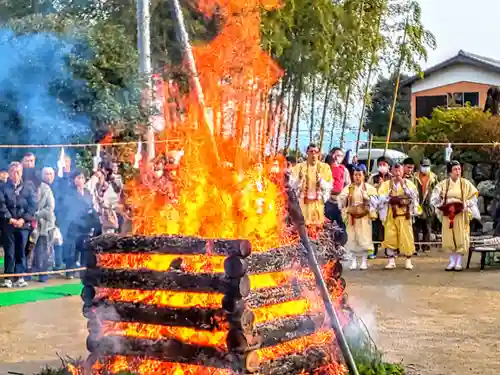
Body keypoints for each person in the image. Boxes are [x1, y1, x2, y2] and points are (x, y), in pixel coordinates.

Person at [430, 160, 480, 271]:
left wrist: (467, 204)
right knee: (449, 237)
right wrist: (442, 202)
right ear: (449, 172)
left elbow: (474, 195)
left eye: (459, 169)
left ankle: (459, 262)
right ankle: (452, 261)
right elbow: (434, 198)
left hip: (461, 213)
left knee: (461, 236)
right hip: (448, 213)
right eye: (455, 169)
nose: (458, 172)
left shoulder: (465, 183)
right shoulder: (443, 184)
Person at [0, 162, 37, 288]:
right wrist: (10, 219)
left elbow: (33, 206)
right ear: (9, 173)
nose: (15, 174)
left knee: (21, 250)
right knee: (9, 250)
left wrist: (23, 219)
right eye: (13, 172)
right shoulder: (3, 187)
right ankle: (8, 277)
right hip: (8, 224)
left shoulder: (28, 187)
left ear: (21, 173)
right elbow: (1, 204)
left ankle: (19, 276)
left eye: (18, 172)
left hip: (23, 224)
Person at [377, 163, 420, 270]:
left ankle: (408, 260)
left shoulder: (409, 183)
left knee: (406, 237)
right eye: (395, 171)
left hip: (404, 214)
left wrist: (402, 184)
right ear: (391, 171)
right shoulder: (386, 184)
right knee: (390, 236)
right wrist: (388, 197)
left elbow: (413, 196)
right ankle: (391, 260)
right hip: (391, 214)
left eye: (399, 171)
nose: (397, 173)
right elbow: (380, 198)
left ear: (403, 171)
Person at [338, 166, 378, 270]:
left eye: (359, 175)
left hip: (364, 217)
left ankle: (364, 261)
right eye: (355, 175)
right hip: (352, 217)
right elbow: (341, 201)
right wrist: (345, 198)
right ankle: (353, 261)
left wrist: (367, 199)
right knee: (352, 239)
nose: (357, 177)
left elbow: (375, 203)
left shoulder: (369, 188)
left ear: (364, 175)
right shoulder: (348, 188)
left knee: (365, 238)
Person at [62, 170, 98, 278]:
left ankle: (83, 271)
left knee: (84, 249)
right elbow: (68, 207)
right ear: (73, 180)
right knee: (72, 249)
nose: (80, 180)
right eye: (78, 178)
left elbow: (91, 207)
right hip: (73, 225)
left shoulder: (87, 192)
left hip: (86, 226)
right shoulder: (69, 192)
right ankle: (70, 271)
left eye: (82, 178)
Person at [290, 143, 333, 227]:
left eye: (316, 152)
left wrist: (321, 180)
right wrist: (299, 179)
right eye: (311, 151)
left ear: (319, 154)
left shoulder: (325, 167)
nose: (313, 154)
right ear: (307, 153)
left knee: (316, 230)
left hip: (318, 205)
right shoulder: (299, 167)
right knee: (303, 228)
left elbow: (329, 186)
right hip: (303, 205)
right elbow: (292, 186)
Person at [31, 171, 56, 282]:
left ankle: (43, 273)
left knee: (43, 249)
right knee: (30, 249)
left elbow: (50, 208)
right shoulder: (27, 187)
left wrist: (36, 215)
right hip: (29, 223)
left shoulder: (46, 189)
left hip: (44, 224)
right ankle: (30, 270)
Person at [367, 156, 392, 258]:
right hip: (375, 208)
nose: (382, 167)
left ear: (389, 166)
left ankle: (388, 250)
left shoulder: (392, 177)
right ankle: (373, 251)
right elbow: (368, 190)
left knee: (388, 229)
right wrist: (378, 186)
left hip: (387, 208)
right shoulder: (373, 178)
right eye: (380, 165)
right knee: (374, 230)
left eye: (384, 165)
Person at [412, 158, 439, 253]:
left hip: (429, 204)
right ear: (420, 166)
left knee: (427, 226)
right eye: (424, 166)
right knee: (416, 226)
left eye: (428, 166)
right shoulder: (414, 177)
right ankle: (415, 246)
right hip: (417, 203)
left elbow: (437, 190)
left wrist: (435, 204)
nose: (426, 168)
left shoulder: (434, 177)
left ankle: (426, 246)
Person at [325, 147, 350, 228]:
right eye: (336, 155)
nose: (337, 157)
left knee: (342, 227)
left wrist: (342, 194)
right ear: (331, 155)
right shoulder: (325, 169)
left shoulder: (344, 170)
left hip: (340, 203)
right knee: (327, 226)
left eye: (340, 155)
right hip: (327, 202)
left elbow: (348, 185)